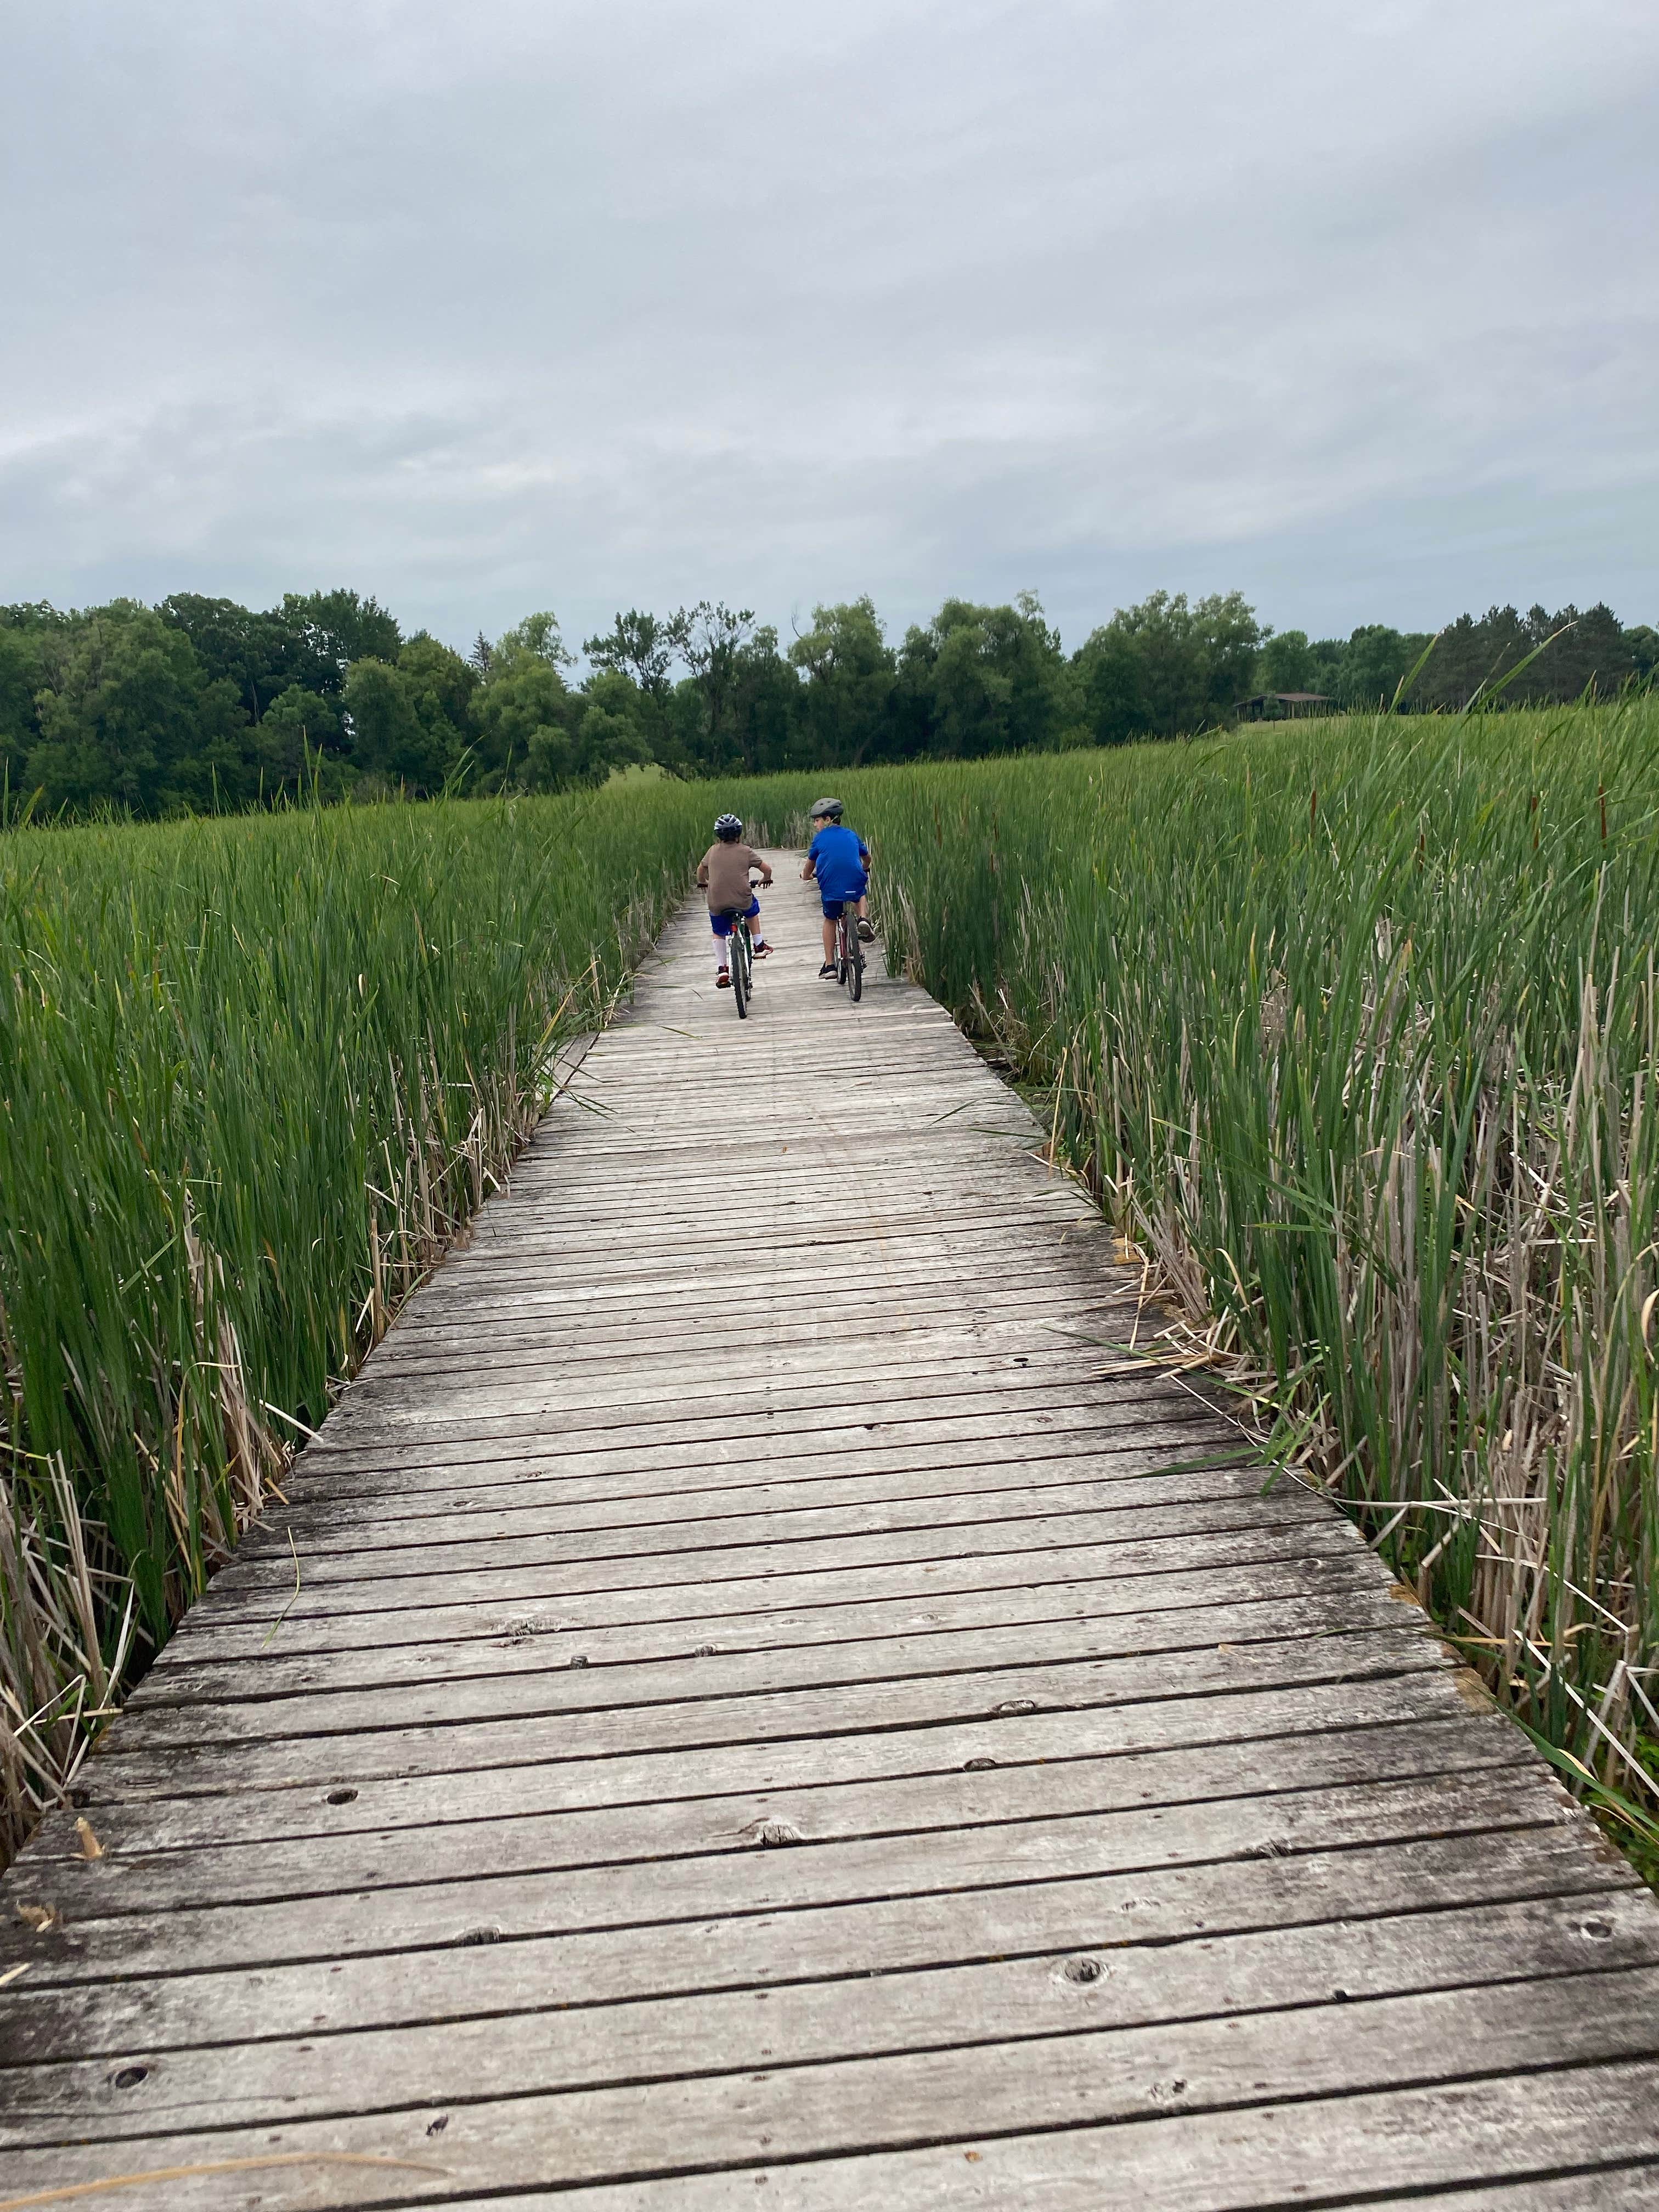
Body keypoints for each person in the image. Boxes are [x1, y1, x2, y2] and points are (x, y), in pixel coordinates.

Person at [696, 814, 772, 988]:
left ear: (718, 835)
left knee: (718, 932)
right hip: (741, 899)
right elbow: (767, 870)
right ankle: (759, 945)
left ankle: (723, 968)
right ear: (739, 834)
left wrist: (704, 883)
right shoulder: (746, 851)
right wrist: (764, 880)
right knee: (752, 909)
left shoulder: (712, 851)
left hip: (717, 902)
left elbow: (701, 870)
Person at [802, 797, 875, 979]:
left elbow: (809, 868)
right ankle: (863, 919)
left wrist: (806, 876)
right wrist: (865, 868)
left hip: (831, 886)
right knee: (860, 891)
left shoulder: (820, 839)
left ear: (828, 819)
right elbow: (867, 858)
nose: (815, 825)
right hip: (853, 881)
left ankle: (830, 966)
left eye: (817, 820)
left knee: (830, 920)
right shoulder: (851, 834)